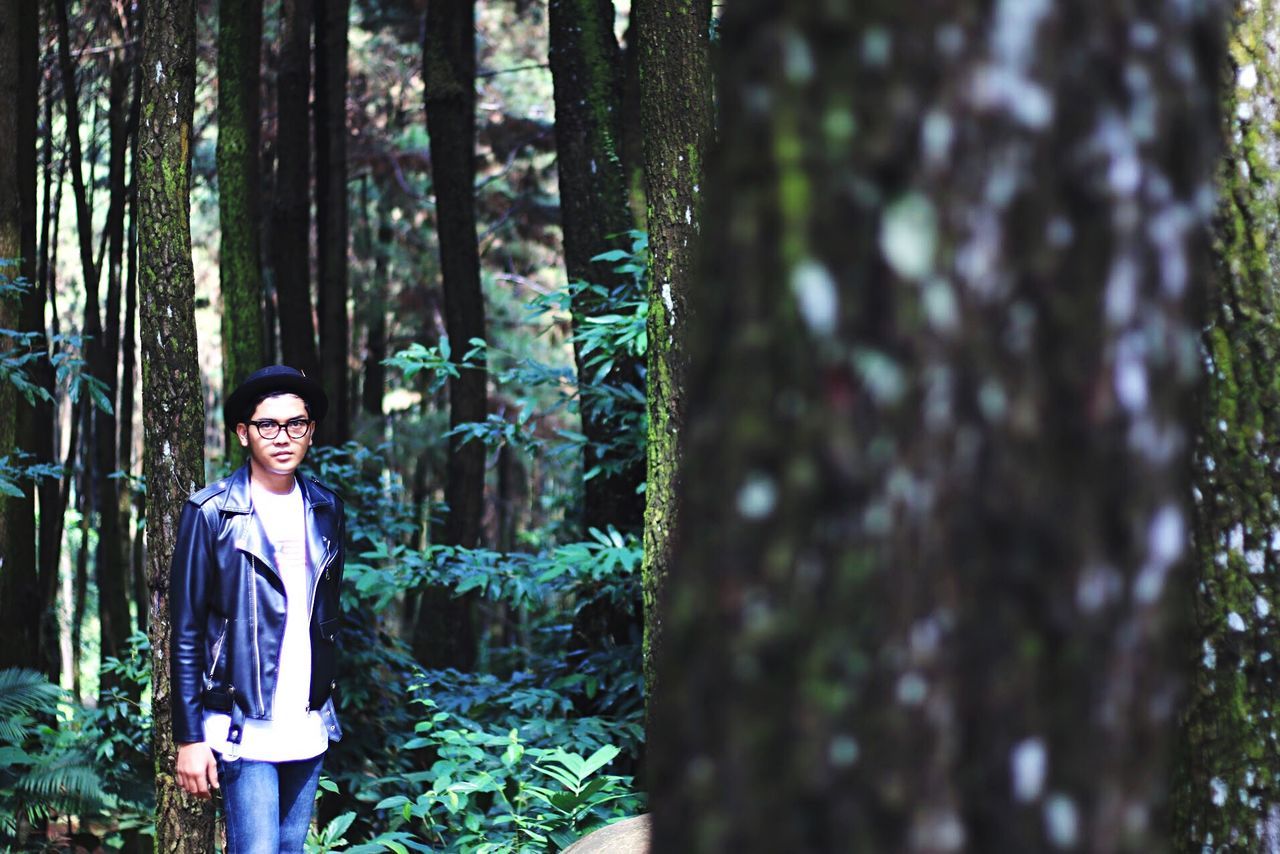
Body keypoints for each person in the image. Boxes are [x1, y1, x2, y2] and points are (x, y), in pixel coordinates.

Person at [170, 365, 345, 853]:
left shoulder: (327, 508)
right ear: (243, 433)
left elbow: (326, 617)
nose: (283, 437)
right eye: (268, 425)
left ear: (310, 431)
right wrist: (189, 738)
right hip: (241, 726)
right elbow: (185, 633)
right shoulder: (211, 514)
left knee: (291, 849)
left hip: (307, 723)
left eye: (297, 424)